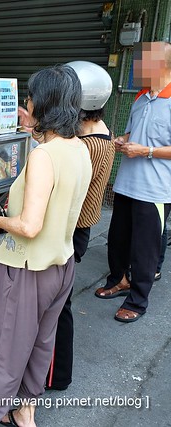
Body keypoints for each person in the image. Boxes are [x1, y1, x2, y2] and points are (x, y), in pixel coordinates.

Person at [0, 65, 92, 427]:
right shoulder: (81, 148)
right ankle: (25, 410)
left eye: (30, 97)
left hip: (27, 267)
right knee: (41, 343)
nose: (27, 103)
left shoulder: (44, 156)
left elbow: (29, 225)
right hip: (62, 263)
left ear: (42, 103)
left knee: (5, 347)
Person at [45, 61, 115, 391]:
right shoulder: (102, 134)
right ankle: (54, 373)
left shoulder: (87, 147)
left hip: (70, 231)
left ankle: (56, 375)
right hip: (77, 230)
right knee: (59, 303)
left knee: (57, 306)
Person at [95, 42, 171, 323]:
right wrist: (123, 141)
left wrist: (146, 151)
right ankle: (119, 280)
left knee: (145, 249)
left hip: (155, 190)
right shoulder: (140, 97)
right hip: (126, 184)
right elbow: (132, 133)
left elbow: (152, 146)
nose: (137, 68)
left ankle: (138, 301)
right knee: (117, 240)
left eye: (143, 62)